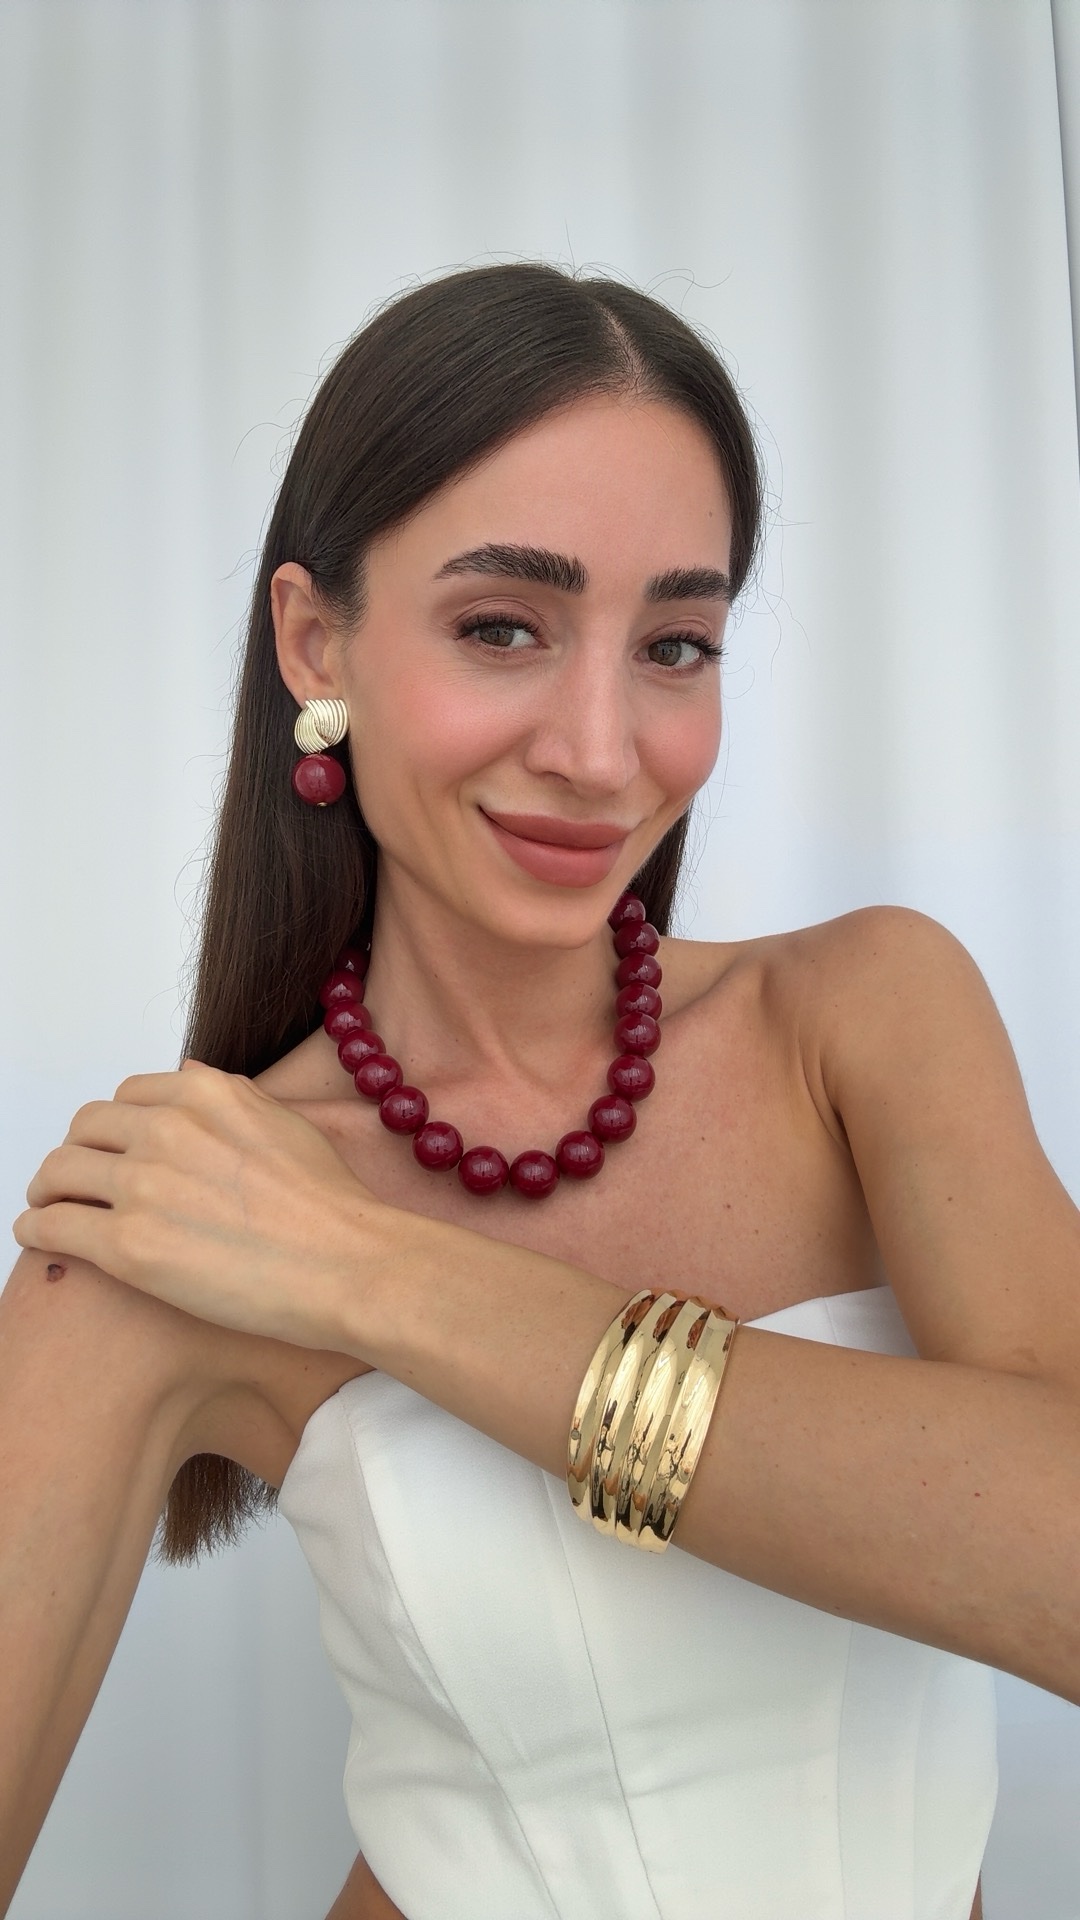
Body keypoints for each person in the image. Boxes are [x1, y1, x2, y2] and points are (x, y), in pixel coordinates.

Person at [3, 261, 1078, 1920]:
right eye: (502, 626)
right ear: (316, 641)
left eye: (675, 644)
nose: (599, 747)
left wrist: (371, 1271)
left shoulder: (869, 1016)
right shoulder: (175, 1225)